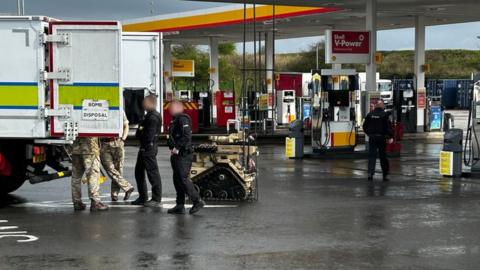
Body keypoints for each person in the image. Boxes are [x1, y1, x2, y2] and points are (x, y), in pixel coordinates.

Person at [167, 100, 205, 215]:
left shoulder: (183, 119)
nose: (170, 109)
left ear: (179, 108)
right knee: (177, 180)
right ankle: (180, 205)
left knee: (183, 179)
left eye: (172, 107)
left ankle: (197, 200)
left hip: (183, 154)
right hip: (177, 155)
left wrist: (177, 148)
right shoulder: (175, 119)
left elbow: (186, 136)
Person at [131, 95, 162, 207]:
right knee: (138, 172)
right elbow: (139, 132)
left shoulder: (153, 117)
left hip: (148, 148)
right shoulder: (148, 115)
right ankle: (143, 197)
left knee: (152, 174)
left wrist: (142, 137)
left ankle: (156, 199)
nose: (143, 105)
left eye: (145, 102)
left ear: (151, 103)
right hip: (144, 148)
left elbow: (148, 135)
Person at [100, 111, 134, 202]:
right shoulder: (98, 110)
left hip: (117, 141)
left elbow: (126, 125)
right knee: (110, 169)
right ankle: (127, 187)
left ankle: (114, 195)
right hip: (104, 143)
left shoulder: (119, 109)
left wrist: (123, 139)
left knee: (118, 169)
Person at [71, 137, 109, 211]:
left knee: (76, 177)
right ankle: (95, 202)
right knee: (93, 175)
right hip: (90, 149)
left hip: (76, 149)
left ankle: (77, 202)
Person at [363, 100, 394, 181]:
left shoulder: (370, 114)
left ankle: (370, 174)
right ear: (382, 106)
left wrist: (369, 134)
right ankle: (385, 175)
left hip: (372, 138)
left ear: (376, 106)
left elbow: (364, 126)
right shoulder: (385, 115)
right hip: (381, 138)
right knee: (383, 157)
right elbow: (388, 127)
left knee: (371, 156)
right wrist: (390, 136)